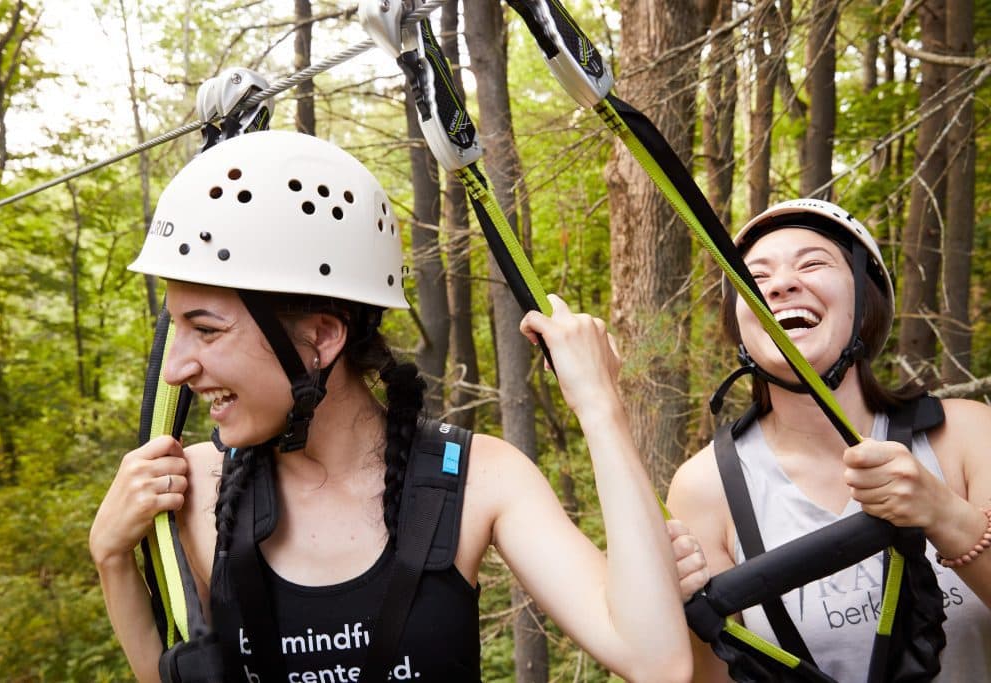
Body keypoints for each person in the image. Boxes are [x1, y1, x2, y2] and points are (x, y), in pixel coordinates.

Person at [89, 129, 692, 683]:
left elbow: (656, 661)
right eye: (177, 331)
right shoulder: (193, 484)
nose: (175, 368)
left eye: (208, 330)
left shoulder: (476, 478)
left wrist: (599, 406)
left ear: (322, 338)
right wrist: (113, 558)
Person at [667, 198, 991, 682]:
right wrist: (686, 614)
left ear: (866, 300)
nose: (780, 284)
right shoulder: (706, 486)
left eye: (812, 263)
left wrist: (949, 517)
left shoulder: (964, 434)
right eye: (755, 280)